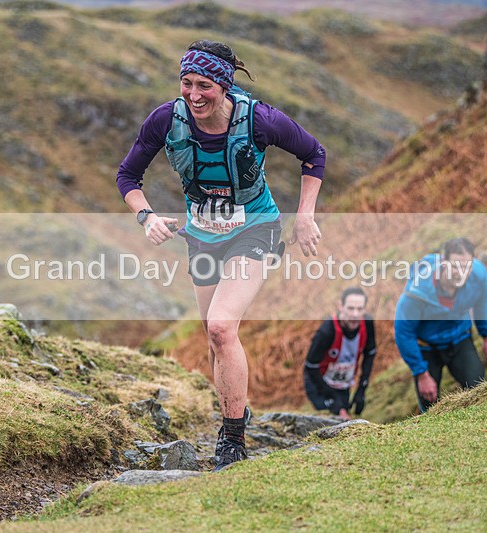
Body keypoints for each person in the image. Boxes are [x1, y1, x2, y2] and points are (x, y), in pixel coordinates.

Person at [116, 40, 325, 470]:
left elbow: (313, 155)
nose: (194, 95)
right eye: (187, 83)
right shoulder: (165, 119)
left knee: (221, 328)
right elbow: (128, 176)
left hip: (256, 230)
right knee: (215, 342)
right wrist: (146, 217)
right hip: (203, 237)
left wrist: (304, 217)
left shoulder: (260, 120)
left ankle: (231, 439)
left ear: (225, 87)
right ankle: (237, 407)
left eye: (205, 86)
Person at [394, 237, 487, 413]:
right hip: (426, 348)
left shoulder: (478, 276)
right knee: (430, 406)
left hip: (460, 338)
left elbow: (481, 303)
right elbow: (404, 332)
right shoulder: (417, 291)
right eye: (455, 266)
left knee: (480, 391)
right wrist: (421, 374)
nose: (461, 273)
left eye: (466, 267)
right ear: (443, 262)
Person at [304, 287, 376, 420]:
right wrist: (333, 399)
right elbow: (310, 366)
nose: (355, 314)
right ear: (341, 306)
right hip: (318, 382)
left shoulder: (367, 324)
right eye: (350, 308)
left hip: (343, 383)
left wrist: (361, 389)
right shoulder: (327, 331)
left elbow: (370, 353)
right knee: (334, 419)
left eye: (360, 309)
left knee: (345, 417)